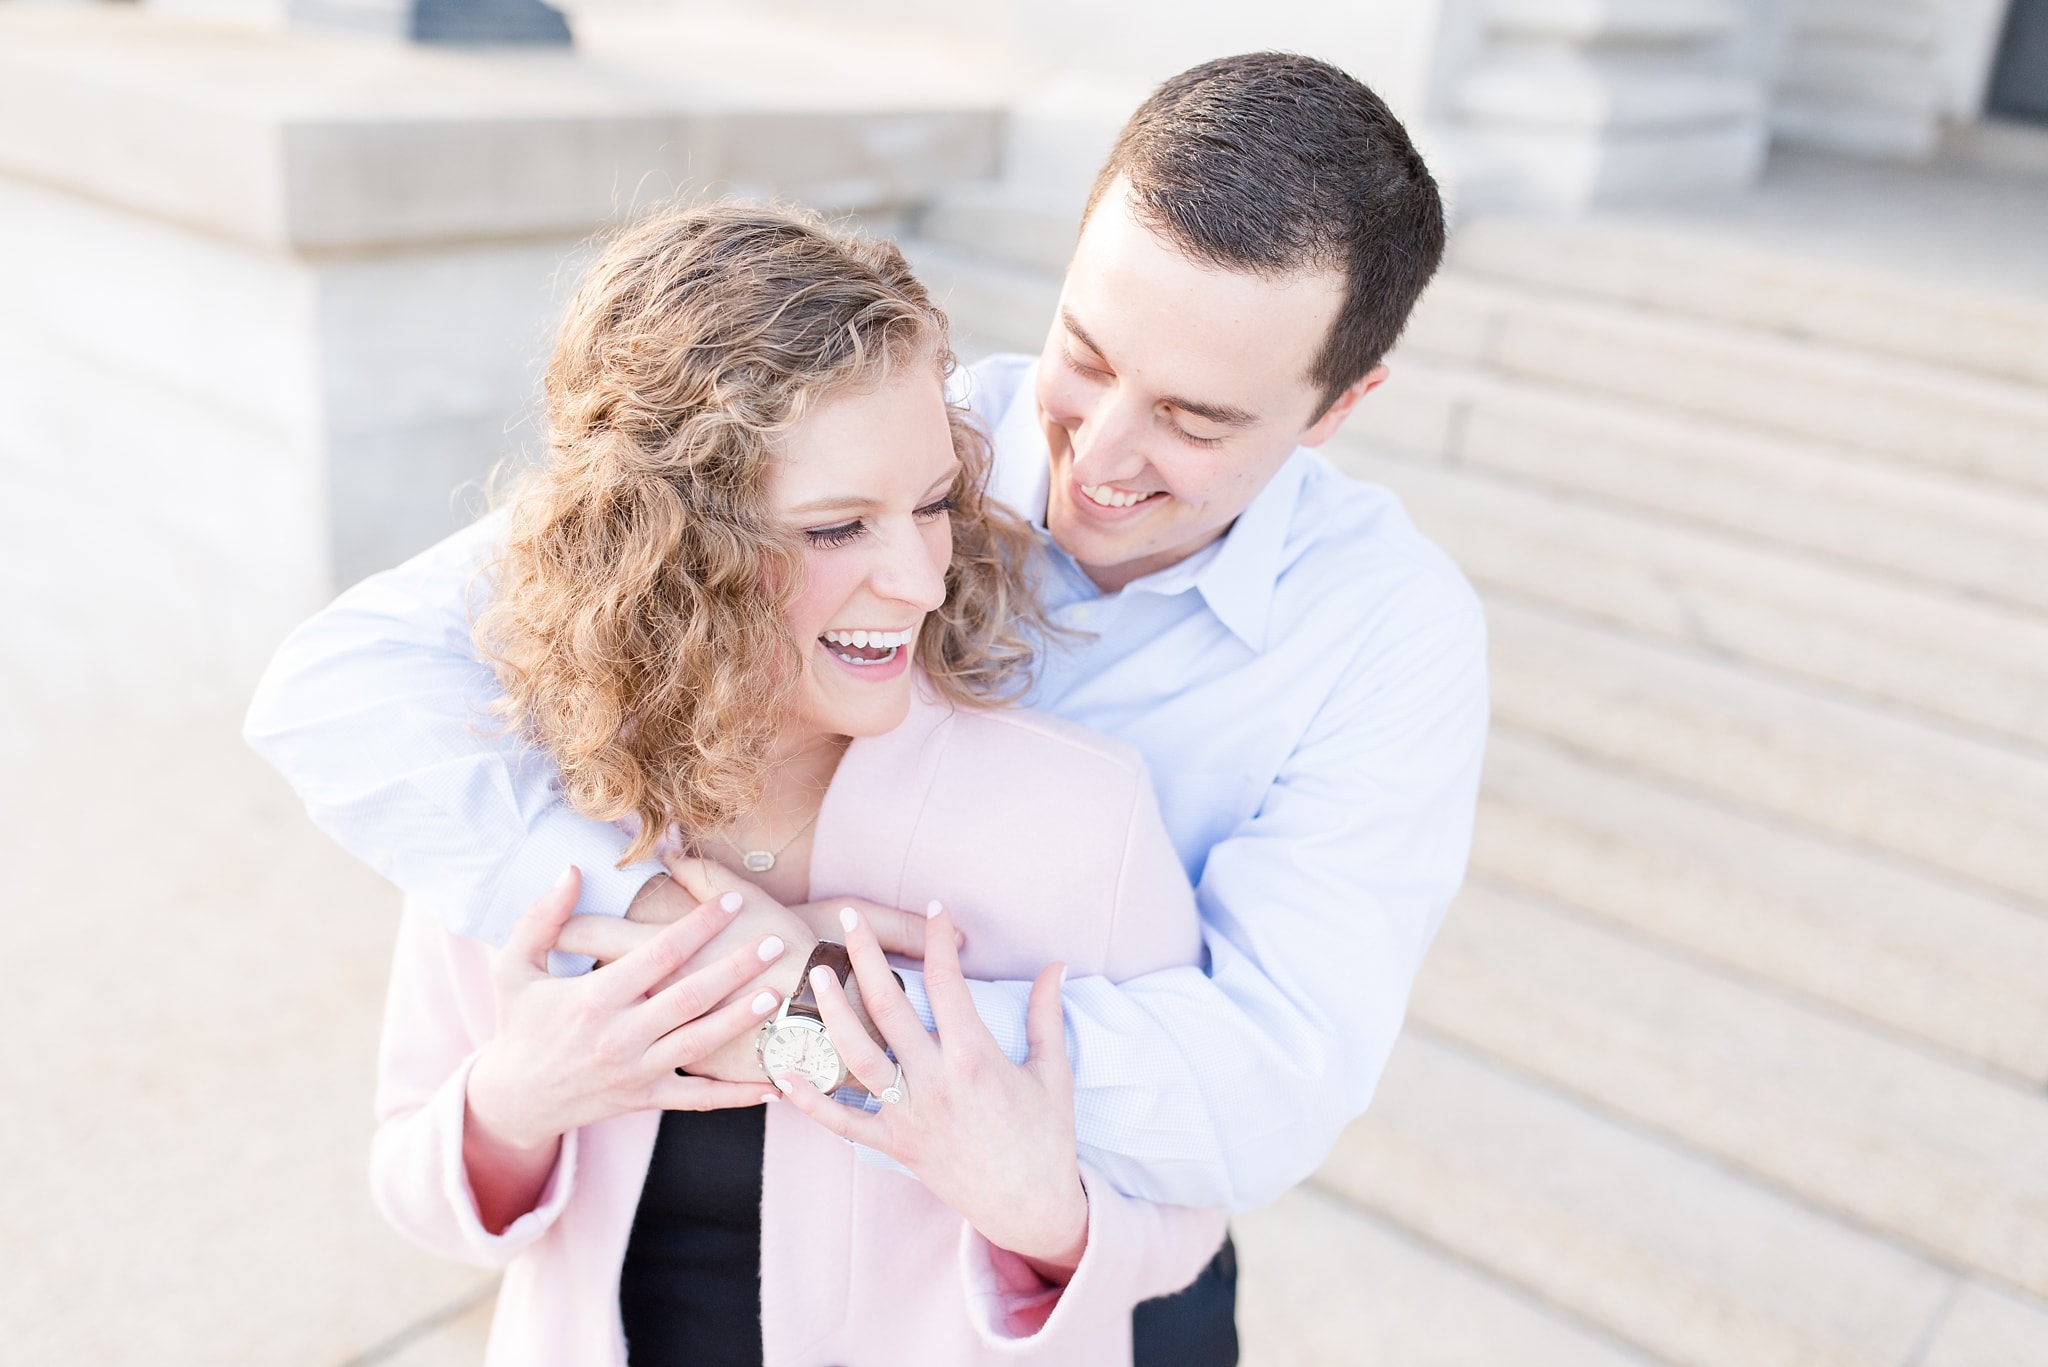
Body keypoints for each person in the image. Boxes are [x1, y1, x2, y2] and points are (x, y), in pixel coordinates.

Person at [247, 52, 1488, 1359]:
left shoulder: (1388, 639)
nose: (1099, 453)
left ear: (1341, 407)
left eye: (1196, 417)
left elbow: (1268, 1084)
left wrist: (829, 1013)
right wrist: (695, 944)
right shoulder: (884, 429)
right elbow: (372, 672)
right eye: (1086, 354)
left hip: (1064, 1253)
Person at [369, 202, 1227, 1365]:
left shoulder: (1081, 815)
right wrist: (521, 1093)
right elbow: (418, 1191)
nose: (921, 579)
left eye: (932, 504)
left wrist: (1041, 1213)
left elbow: (1180, 1227)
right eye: (836, 529)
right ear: (667, 549)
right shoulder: (522, 779)